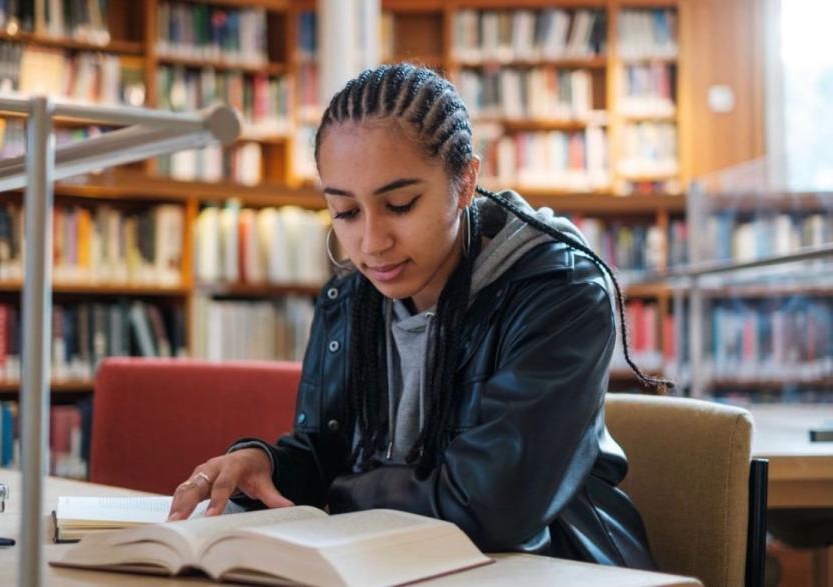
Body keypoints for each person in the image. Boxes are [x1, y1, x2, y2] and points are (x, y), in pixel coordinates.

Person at [167, 63, 668, 569]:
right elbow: (331, 449)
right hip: (398, 564)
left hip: (553, 569)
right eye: (345, 212)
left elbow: (493, 509)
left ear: (466, 181)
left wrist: (336, 496)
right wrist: (266, 464)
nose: (371, 242)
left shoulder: (560, 292)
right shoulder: (350, 300)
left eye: (400, 204)